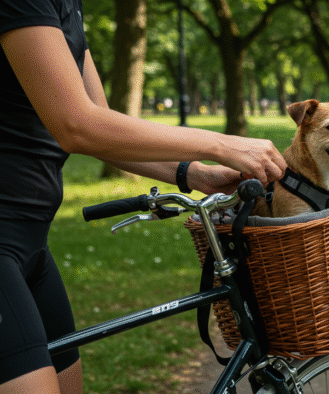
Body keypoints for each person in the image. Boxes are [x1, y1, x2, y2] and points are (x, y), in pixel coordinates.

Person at [0, 1, 287, 393]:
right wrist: (220, 144)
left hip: (31, 244)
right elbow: (76, 125)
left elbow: (102, 123)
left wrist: (193, 172)